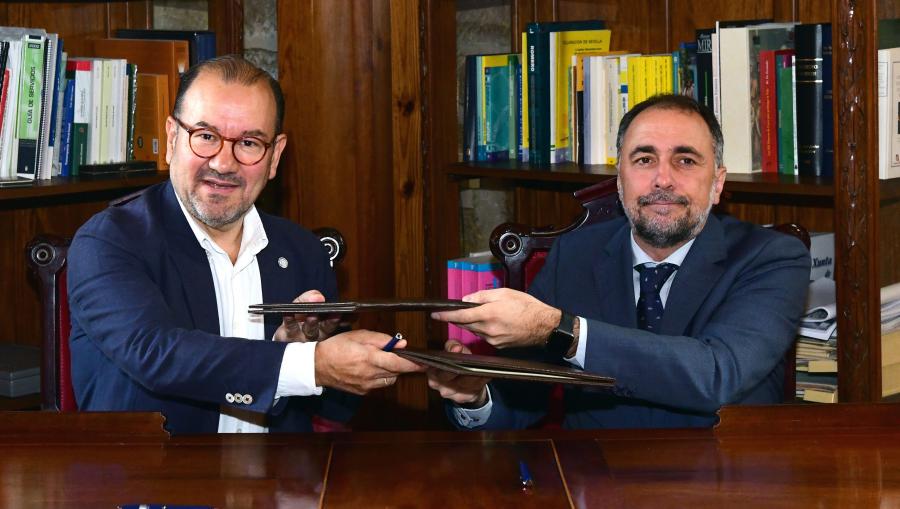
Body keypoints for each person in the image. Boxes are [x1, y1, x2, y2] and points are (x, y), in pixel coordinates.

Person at [67, 55, 421, 434]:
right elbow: (157, 355)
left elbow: (336, 410)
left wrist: (313, 352)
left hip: (282, 485)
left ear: (274, 156)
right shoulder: (109, 241)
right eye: (205, 136)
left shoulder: (303, 252)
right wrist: (306, 363)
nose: (223, 163)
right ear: (172, 139)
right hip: (154, 484)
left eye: (249, 143)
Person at [428, 94, 811, 429]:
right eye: (644, 159)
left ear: (717, 184)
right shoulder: (575, 254)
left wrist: (562, 330)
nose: (663, 179)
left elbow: (717, 375)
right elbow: (525, 396)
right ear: (619, 181)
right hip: (596, 479)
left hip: (723, 482)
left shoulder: (771, 258)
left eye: (686, 161)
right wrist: (476, 396)